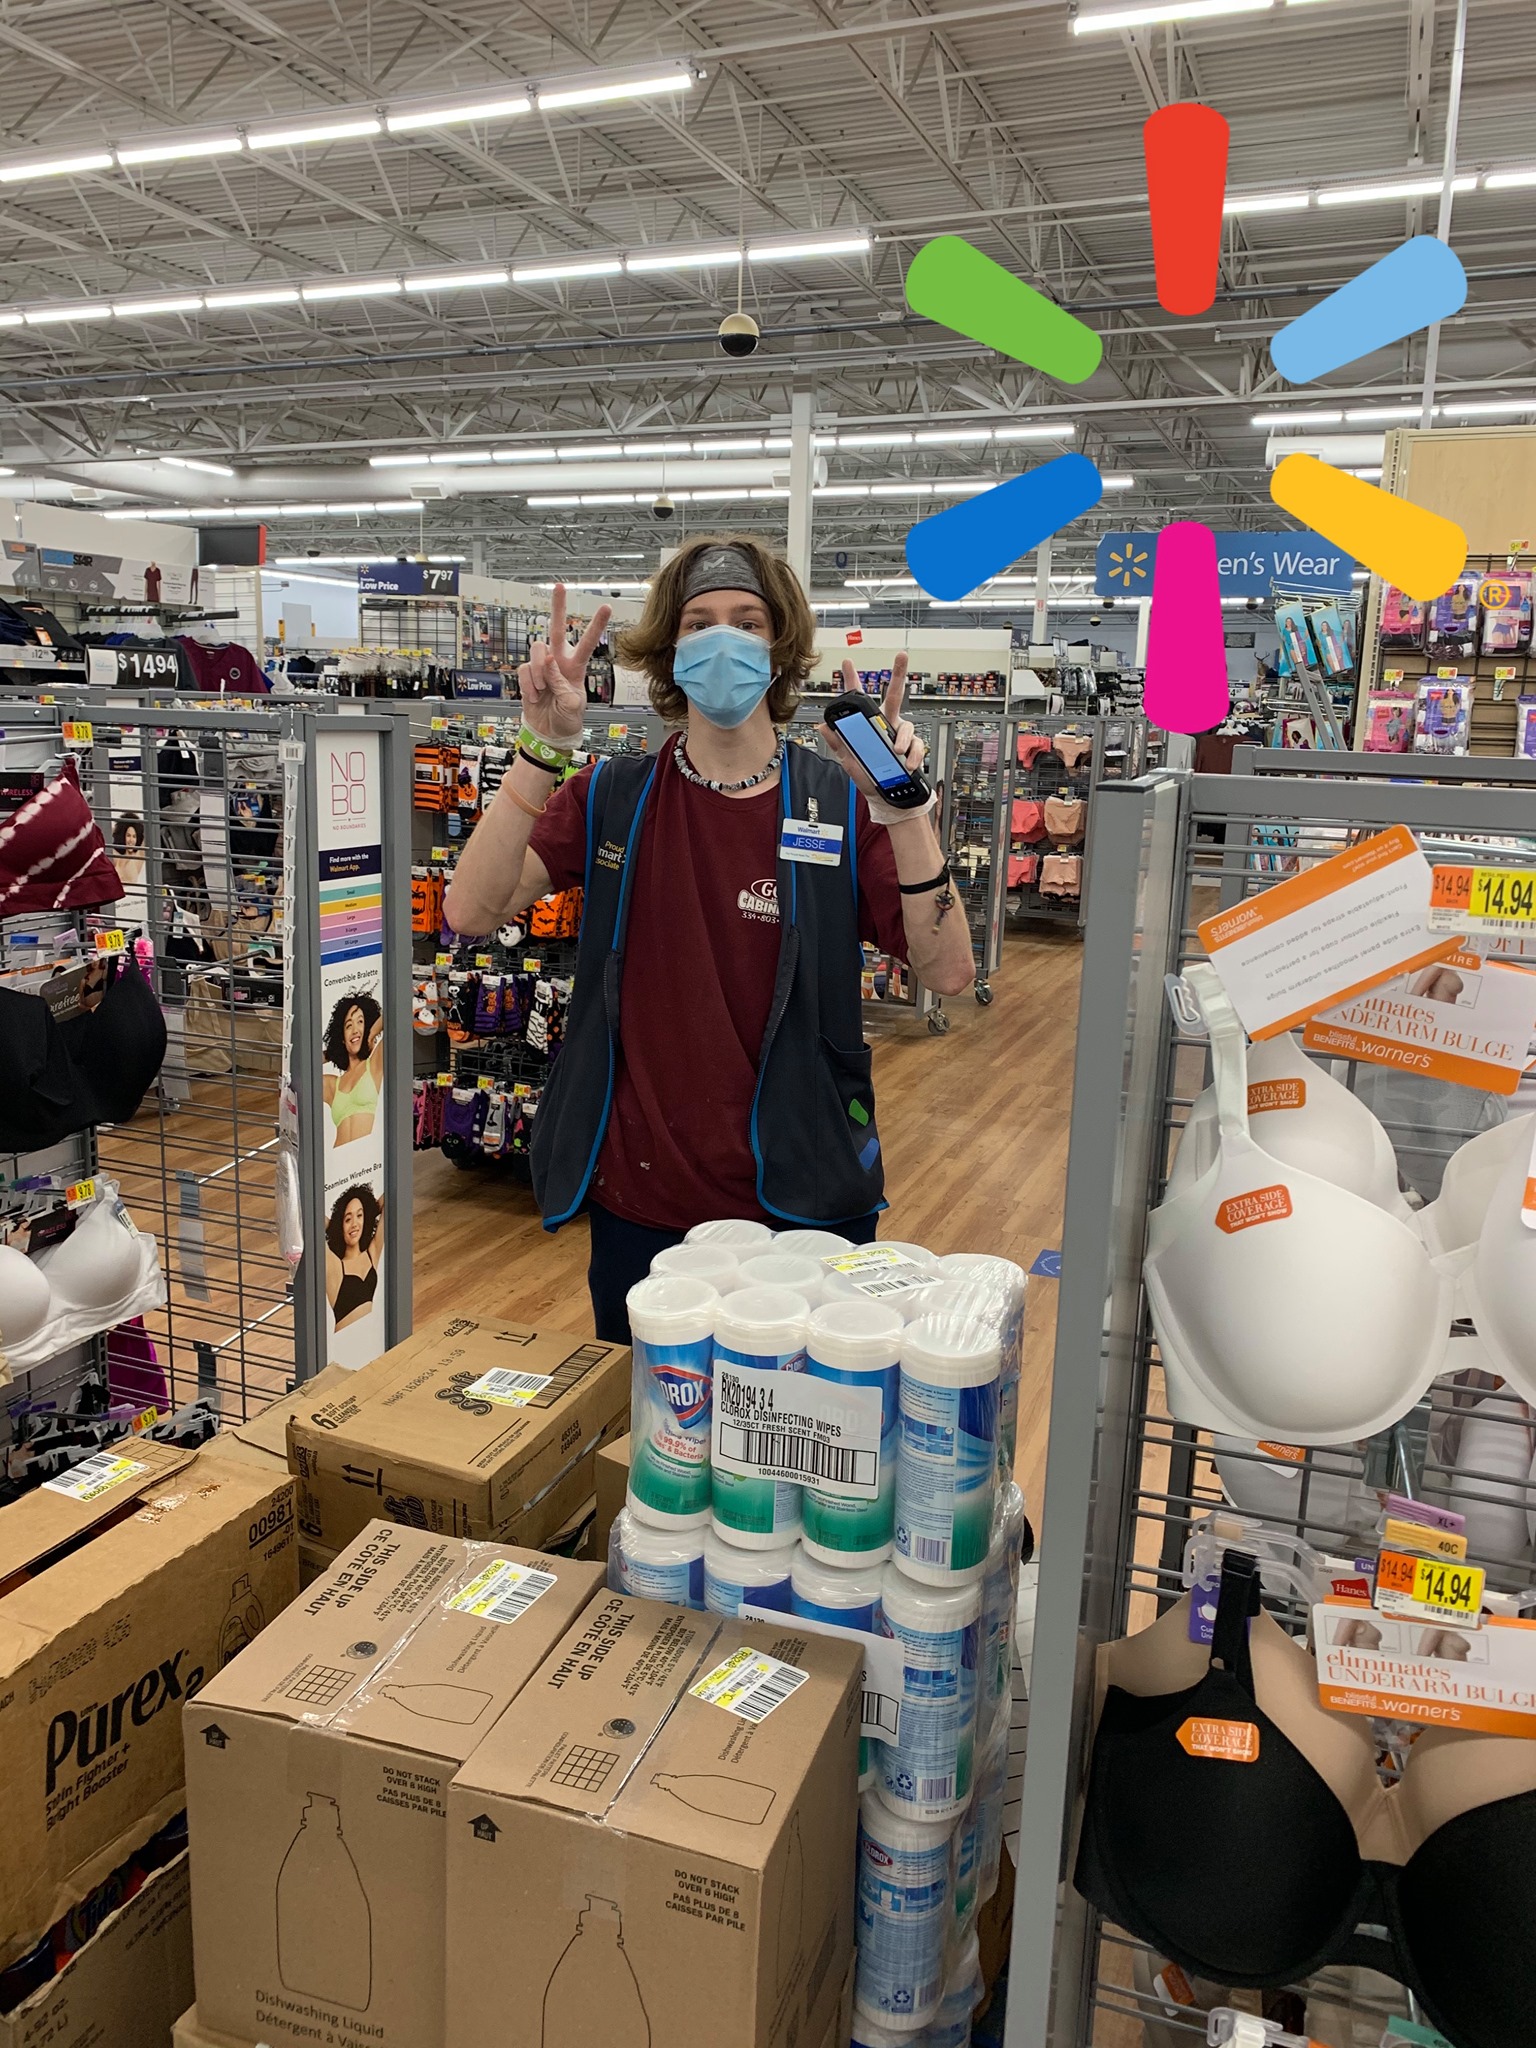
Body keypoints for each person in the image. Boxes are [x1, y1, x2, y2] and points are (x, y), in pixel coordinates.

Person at [446, 535, 974, 1340]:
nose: (723, 639)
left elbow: (950, 970)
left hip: (807, 1200)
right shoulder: (612, 797)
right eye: (699, 623)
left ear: (779, 648)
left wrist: (902, 810)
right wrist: (541, 747)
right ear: (669, 649)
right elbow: (471, 910)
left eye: (747, 622)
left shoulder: (841, 802)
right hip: (644, 1201)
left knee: (804, 1417)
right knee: (651, 1417)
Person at [322, 992, 384, 1146]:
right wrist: (332, 1052)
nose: (355, 1030)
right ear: (342, 1037)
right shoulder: (332, 1084)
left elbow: (395, 1013)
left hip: (366, 1154)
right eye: (348, 1025)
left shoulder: (374, 1064)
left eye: (360, 1022)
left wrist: (371, 1035)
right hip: (338, 1155)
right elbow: (301, 1068)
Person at [325, 1183, 383, 1330]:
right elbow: (313, 1221)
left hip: (369, 1333)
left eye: (360, 1215)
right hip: (344, 1339)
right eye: (347, 1219)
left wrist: (370, 1210)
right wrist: (334, 1227)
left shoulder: (371, 1253)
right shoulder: (335, 1265)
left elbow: (392, 1197)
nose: (354, 1224)